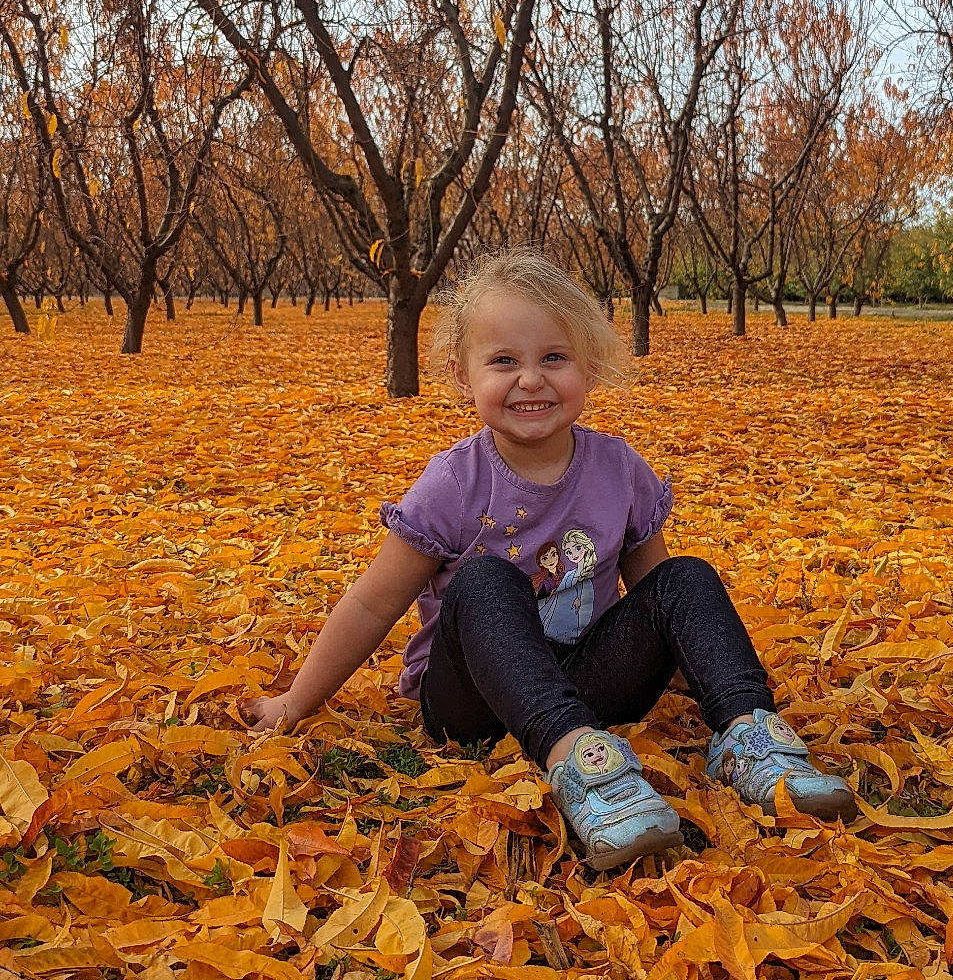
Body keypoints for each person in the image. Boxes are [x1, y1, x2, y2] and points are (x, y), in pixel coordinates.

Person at [246, 249, 856, 870]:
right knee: (485, 580)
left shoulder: (619, 470)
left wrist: (701, 676)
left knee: (688, 578)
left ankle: (751, 740)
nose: (531, 380)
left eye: (554, 358)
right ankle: (582, 770)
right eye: (504, 361)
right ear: (464, 376)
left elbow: (660, 601)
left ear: (588, 368)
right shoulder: (455, 484)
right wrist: (293, 704)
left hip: (592, 682)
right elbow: (373, 602)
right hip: (473, 700)